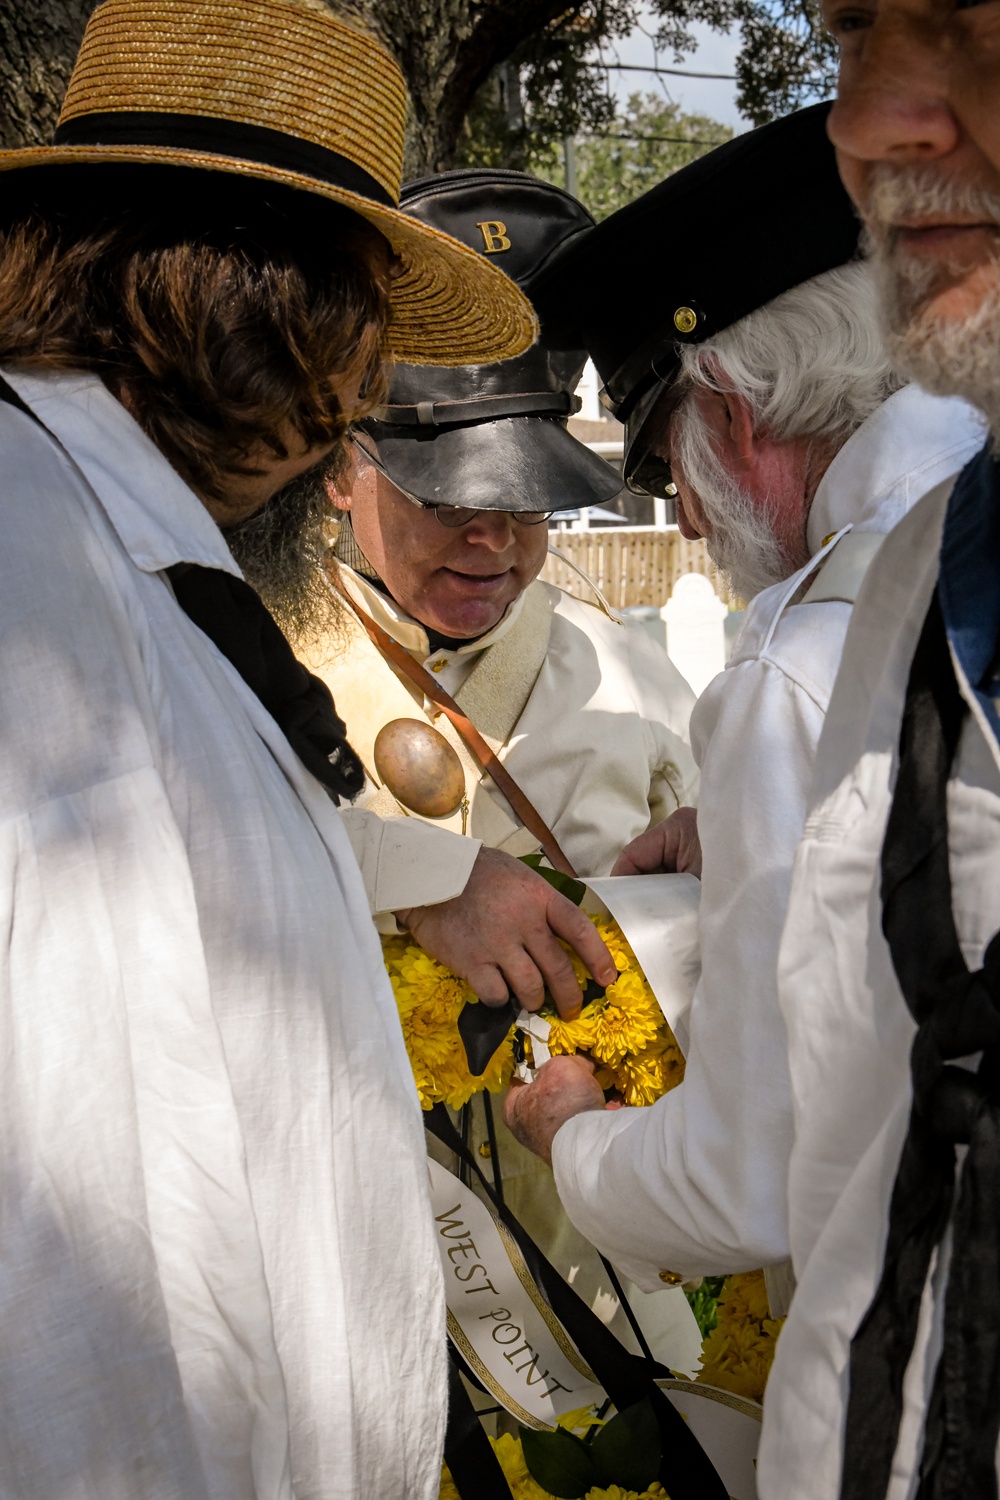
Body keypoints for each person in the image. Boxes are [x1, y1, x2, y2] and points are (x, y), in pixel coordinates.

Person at [0, 4, 618, 1497]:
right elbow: (84, 1252)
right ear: (295, 319)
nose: (354, 399)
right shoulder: (47, 586)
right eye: (366, 337)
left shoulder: (113, 550)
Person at [501, 103, 984, 1312]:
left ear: (737, 409)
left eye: (666, 466)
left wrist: (572, 1139)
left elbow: (749, 1177)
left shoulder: (806, 661)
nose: (686, 523)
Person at [310, 167, 700, 1363]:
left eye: (528, 501)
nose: (493, 537)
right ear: (339, 468)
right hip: (349, 1272)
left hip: (603, 1276)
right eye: (448, 496)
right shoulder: (234, 666)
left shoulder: (636, 687)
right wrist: (408, 875)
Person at [756, 13, 1000, 1500]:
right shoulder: (919, 578)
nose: (868, 120)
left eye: (973, 19)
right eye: (849, 28)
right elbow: (850, 1161)